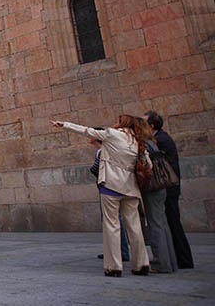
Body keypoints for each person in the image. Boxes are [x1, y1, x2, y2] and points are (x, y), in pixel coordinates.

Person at [52, 116, 150, 277]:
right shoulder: (138, 141)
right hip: (131, 188)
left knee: (112, 226)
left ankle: (114, 266)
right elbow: (148, 164)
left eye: (119, 120)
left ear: (123, 123)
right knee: (135, 226)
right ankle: (141, 264)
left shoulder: (112, 134)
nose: (115, 122)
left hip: (111, 186)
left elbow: (86, 130)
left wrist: (65, 125)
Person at [145, 110, 194, 269]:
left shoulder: (159, 140)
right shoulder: (160, 138)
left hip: (167, 188)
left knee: (172, 223)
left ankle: (183, 259)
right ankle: (177, 259)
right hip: (169, 187)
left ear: (151, 126)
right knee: (170, 222)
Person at [135, 118, 177, 273]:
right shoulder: (152, 142)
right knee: (162, 222)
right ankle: (170, 261)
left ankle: (161, 263)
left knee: (155, 224)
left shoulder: (143, 144)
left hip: (152, 187)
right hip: (161, 186)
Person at [90, 138, 130, 262]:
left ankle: (120, 251)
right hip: (115, 187)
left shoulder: (103, 151)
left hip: (108, 189)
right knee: (115, 221)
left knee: (112, 221)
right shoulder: (108, 151)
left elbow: (95, 169)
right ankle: (116, 251)